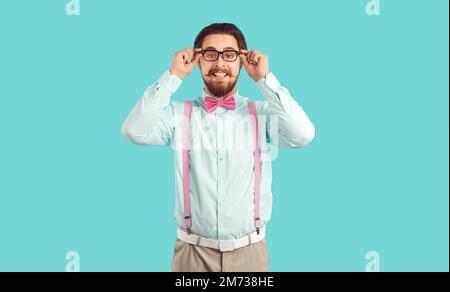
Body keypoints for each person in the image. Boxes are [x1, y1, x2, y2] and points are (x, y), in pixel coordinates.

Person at [121, 23, 315, 272]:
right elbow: (133, 130)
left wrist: (265, 80)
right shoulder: (178, 115)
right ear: (198, 60)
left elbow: (303, 134)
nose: (220, 63)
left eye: (230, 55)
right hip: (191, 255)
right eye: (210, 54)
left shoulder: (263, 113)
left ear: (242, 61)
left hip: (250, 255)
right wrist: (173, 76)